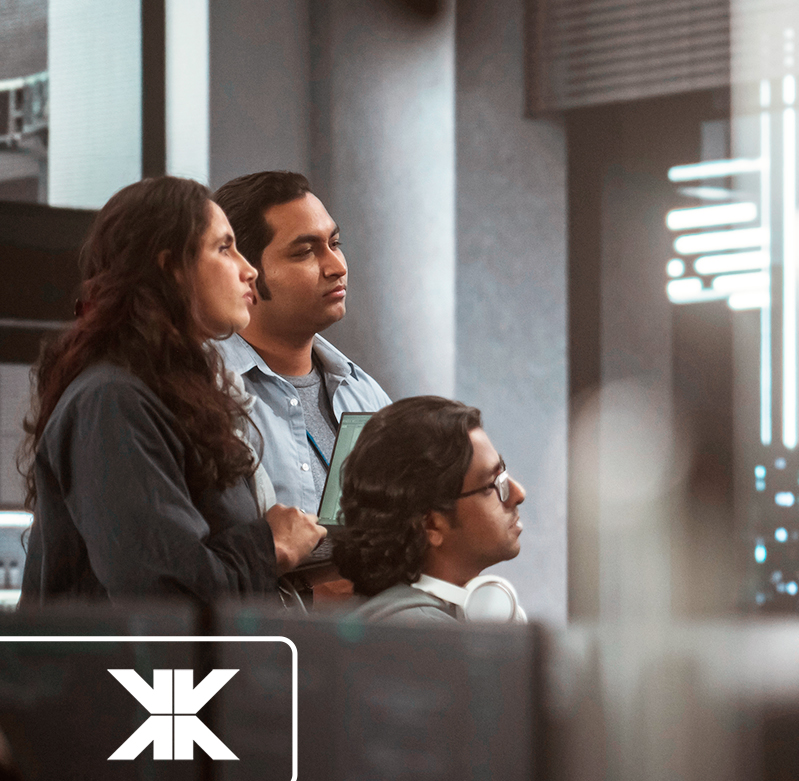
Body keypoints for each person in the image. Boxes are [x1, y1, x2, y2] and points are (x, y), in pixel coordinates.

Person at [21, 176, 325, 602]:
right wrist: (270, 545)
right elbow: (165, 589)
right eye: (224, 248)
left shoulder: (176, 394)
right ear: (170, 268)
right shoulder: (111, 401)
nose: (248, 269)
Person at [210, 172, 391, 517]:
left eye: (335, 244)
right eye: (306, 252)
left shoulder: (364, 393)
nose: (337, 267)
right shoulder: (207, 395)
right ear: (244, 273)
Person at [332, 396, 527, 623]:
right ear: (431, 524)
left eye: (503, 473)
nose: (518, 493)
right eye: (492, 485)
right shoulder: (421, 635)